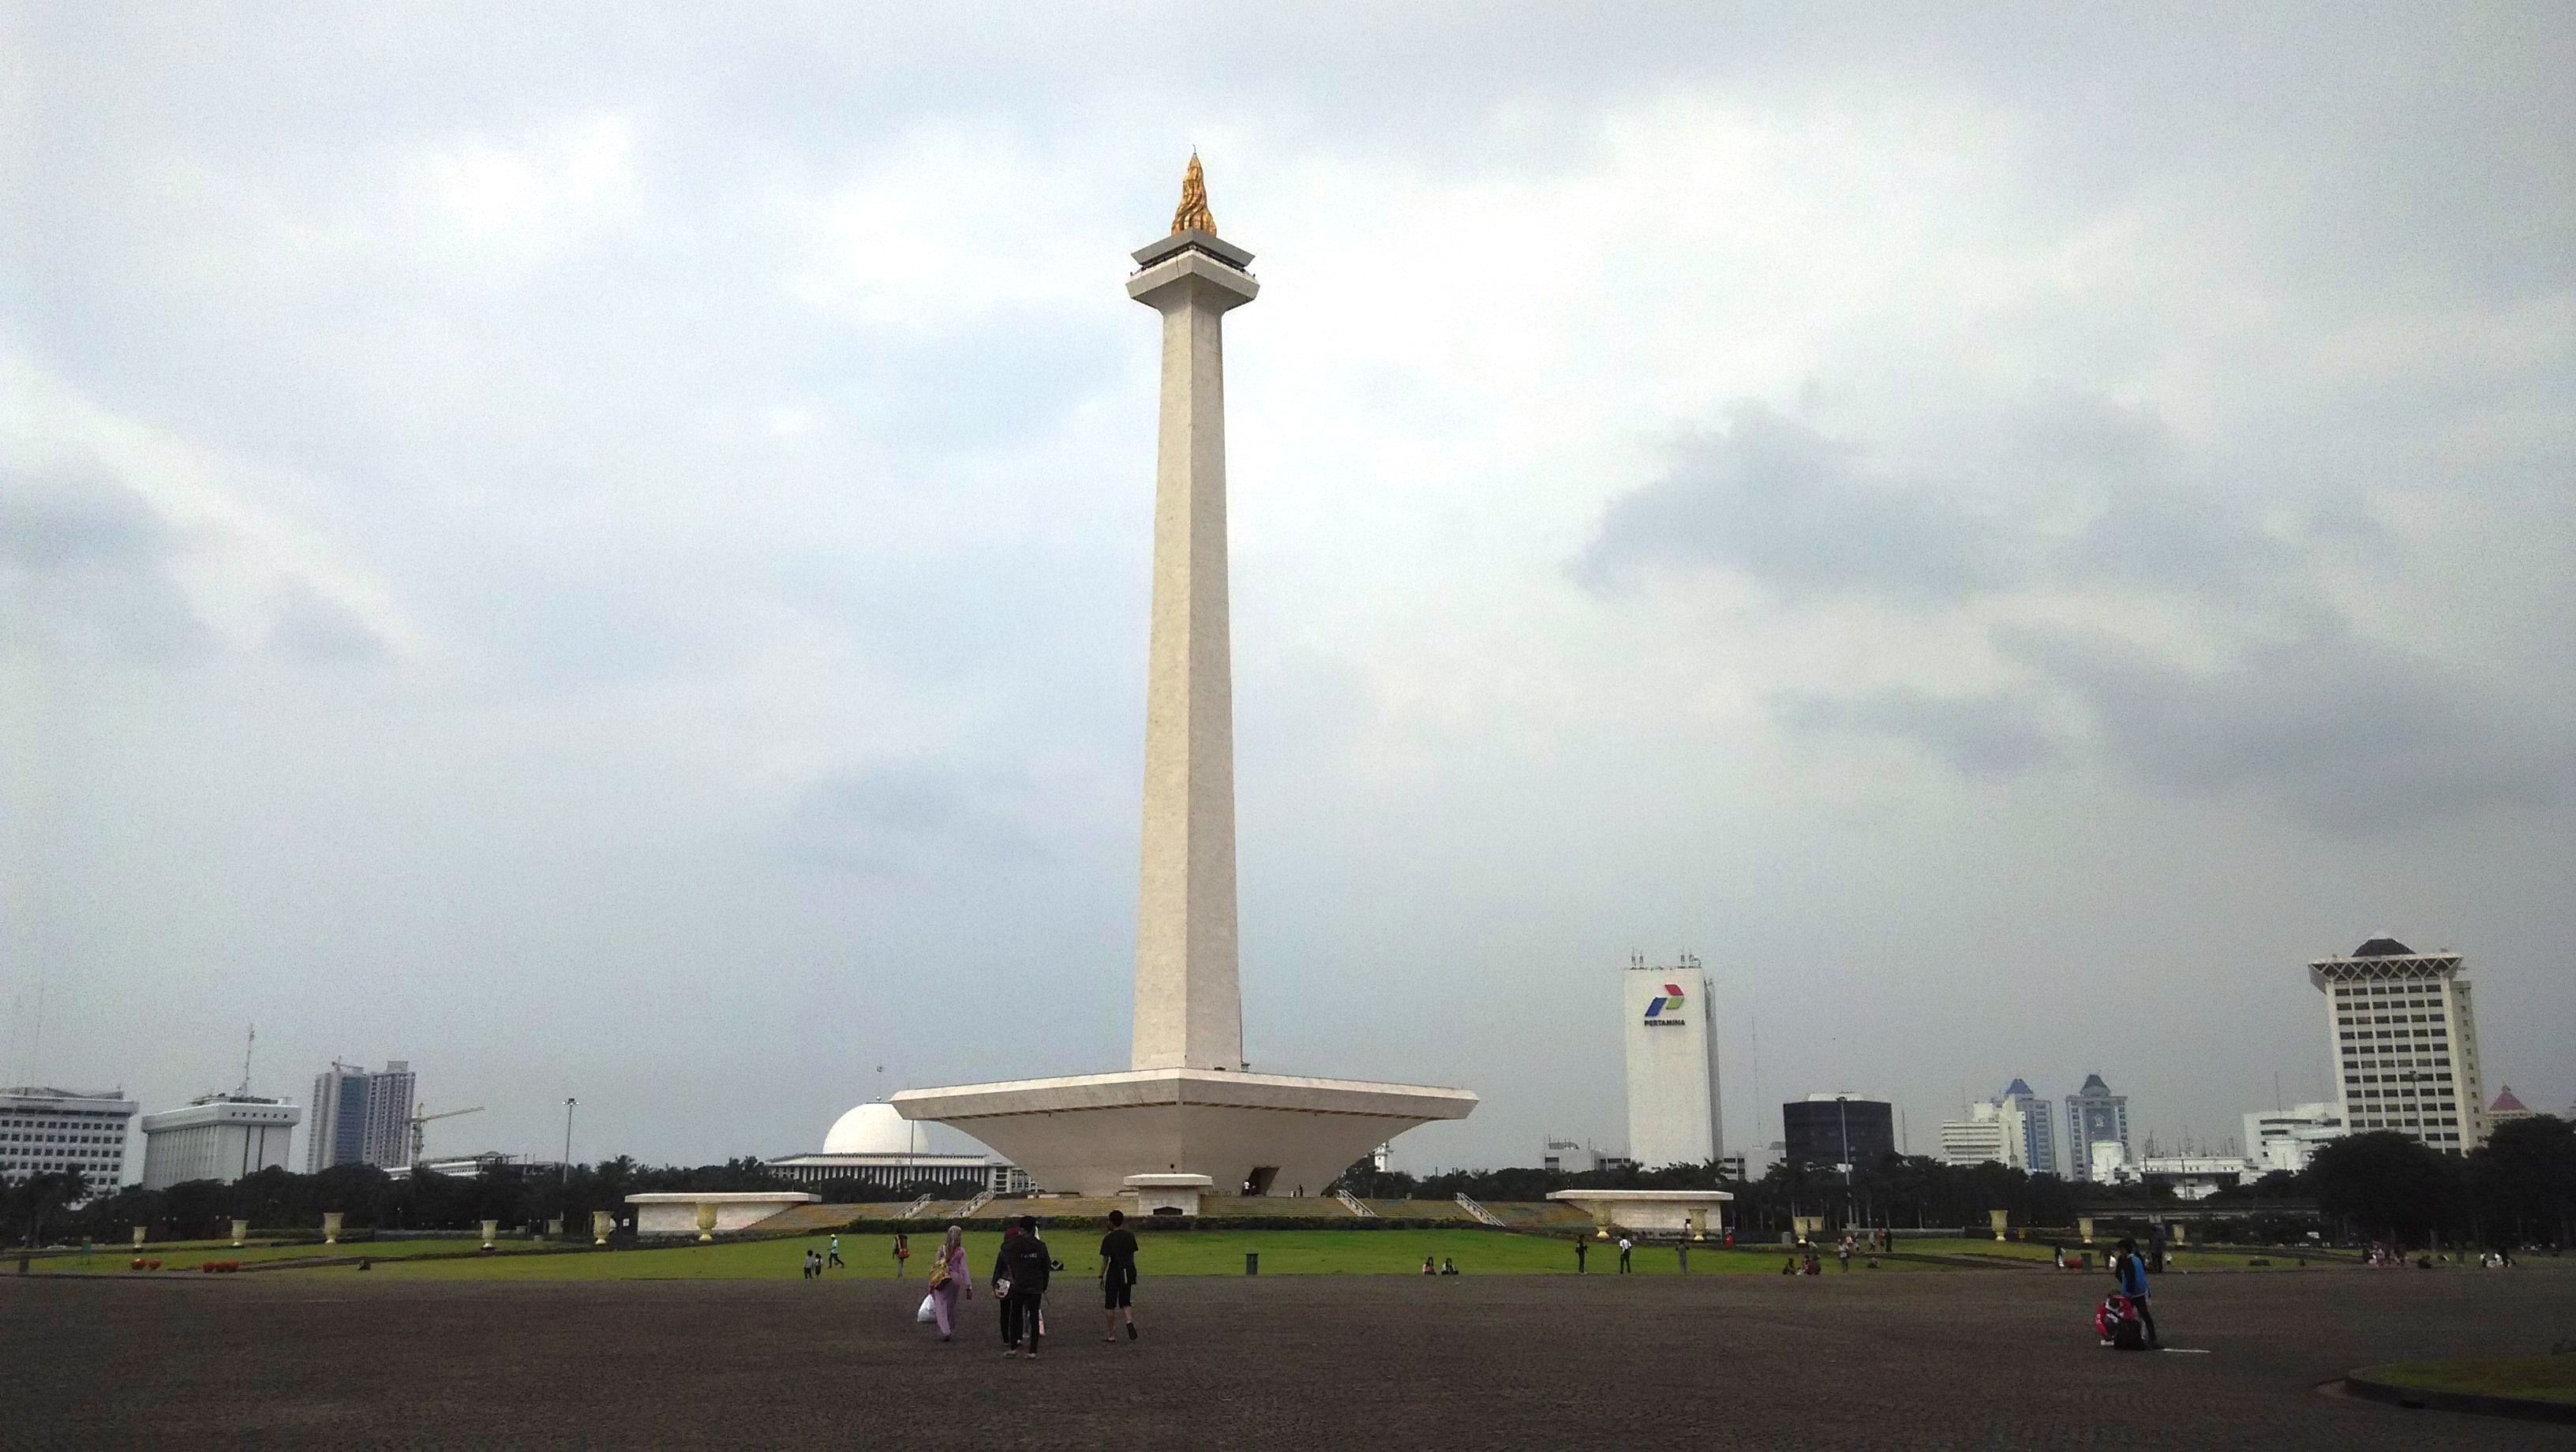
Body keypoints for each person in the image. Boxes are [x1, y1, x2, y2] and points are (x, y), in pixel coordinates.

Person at [994, 1216, 1050, 1358]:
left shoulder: (1015, 1244)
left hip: (1020, 1283)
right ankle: (1033, 1350)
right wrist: (1044, 1284)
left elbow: (1004, 1248)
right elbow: (1046, 1267)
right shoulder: (1040, 1246)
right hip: (1036, 1284)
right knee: (1033, 1317)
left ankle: (1013, 1347)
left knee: (1015, 1315)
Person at [1099, 1209, 1140, 1342]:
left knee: (1110, 1304)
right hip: (1127, 1271)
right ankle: (1128, 1320)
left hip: (1114, 1271)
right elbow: (1132, 1256)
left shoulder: (1109, 1238)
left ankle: (1111, 1334)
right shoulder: (1130, 1236)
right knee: (1125, 1300)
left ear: (1111, 1222)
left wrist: (1101, 1275)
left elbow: (1105, 1259)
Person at [927, 1224, 970, 1342]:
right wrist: (968, 1286)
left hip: (943, 1278)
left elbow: (936, 1267)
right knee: (951, 1305)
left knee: (941, 1305)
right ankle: (950, 1325)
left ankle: (945, 1330)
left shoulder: (942, 1249)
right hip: (955, 1279)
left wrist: (931, 1284)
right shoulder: (961, 1251)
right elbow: (964, 1269)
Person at [2114, 1237, 2160, 1348]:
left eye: (2121, 1250)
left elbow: (2130, 1278)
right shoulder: (2137, 1259)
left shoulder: (2128, 1261)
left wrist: (2128, 1291)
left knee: (2125, 1315)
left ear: (2125, 1249)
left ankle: (2126, 1336)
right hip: (2140, 1291)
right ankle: (2152, 1339)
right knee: (2145, 1316)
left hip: (2132, 1294)